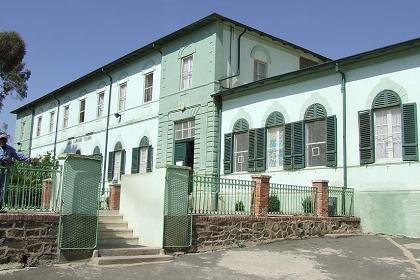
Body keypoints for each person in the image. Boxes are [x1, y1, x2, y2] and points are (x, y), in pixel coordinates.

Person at [0, 132, 31, 212]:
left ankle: (0, 206)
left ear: (6, 140)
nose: (2, 140)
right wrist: (4, 159)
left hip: (5, 172)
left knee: (3, 189)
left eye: (4, 139)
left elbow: (19, 156)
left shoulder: (10, 149)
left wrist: (29, 160)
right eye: (1, 139)